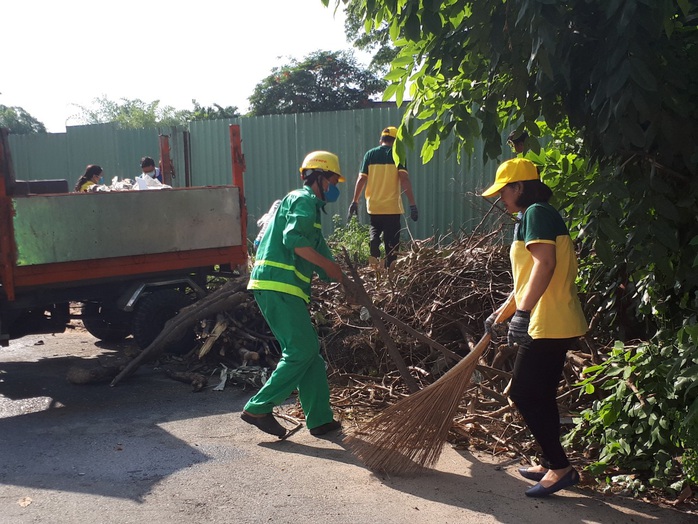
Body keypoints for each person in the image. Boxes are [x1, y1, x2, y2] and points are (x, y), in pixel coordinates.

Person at [482, 158, 587, 498]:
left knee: (523, 394)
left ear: (520, 187)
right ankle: (550, 461)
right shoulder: (532, 216)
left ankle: (560, 467)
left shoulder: (536, 213)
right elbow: (525, 279)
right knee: (540, 395)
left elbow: (545, 263)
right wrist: (502, 313)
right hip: (551, 318)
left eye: (504, 191)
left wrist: (522, 314)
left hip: (548, 321)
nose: (501, 198)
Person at [242, 151, 346, 438]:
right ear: (320, 179)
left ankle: (320, 419)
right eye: (334, 180)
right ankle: (258, 407)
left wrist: (339, 275)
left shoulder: (309, 211)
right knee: (301, 351)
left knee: (311, 356)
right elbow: (294, 241)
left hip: (282, 288)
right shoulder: (303, 199)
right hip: (279, 285)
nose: (336, 186)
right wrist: (328, 266)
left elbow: (321, 252)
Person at [348, 126, 418, 268]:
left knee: (374, 228)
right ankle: (390, 273)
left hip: (374, 206)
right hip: (392, 207)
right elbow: (404, 179)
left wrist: (354, 201)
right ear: (396, 141)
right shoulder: (398, 155)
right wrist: (412, 204)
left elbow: (361, 179)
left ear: (381, 140)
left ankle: (374, 242)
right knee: (392, 245)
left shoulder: (370, 154)